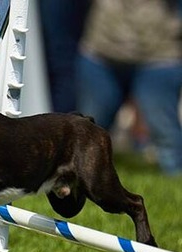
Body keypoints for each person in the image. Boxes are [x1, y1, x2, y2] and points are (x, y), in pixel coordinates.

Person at [76, 0, 182, 175]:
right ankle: (76, 185)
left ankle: (177, 182)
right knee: (87, 132)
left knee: (167, 138)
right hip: (102, 50)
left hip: (161, 53)